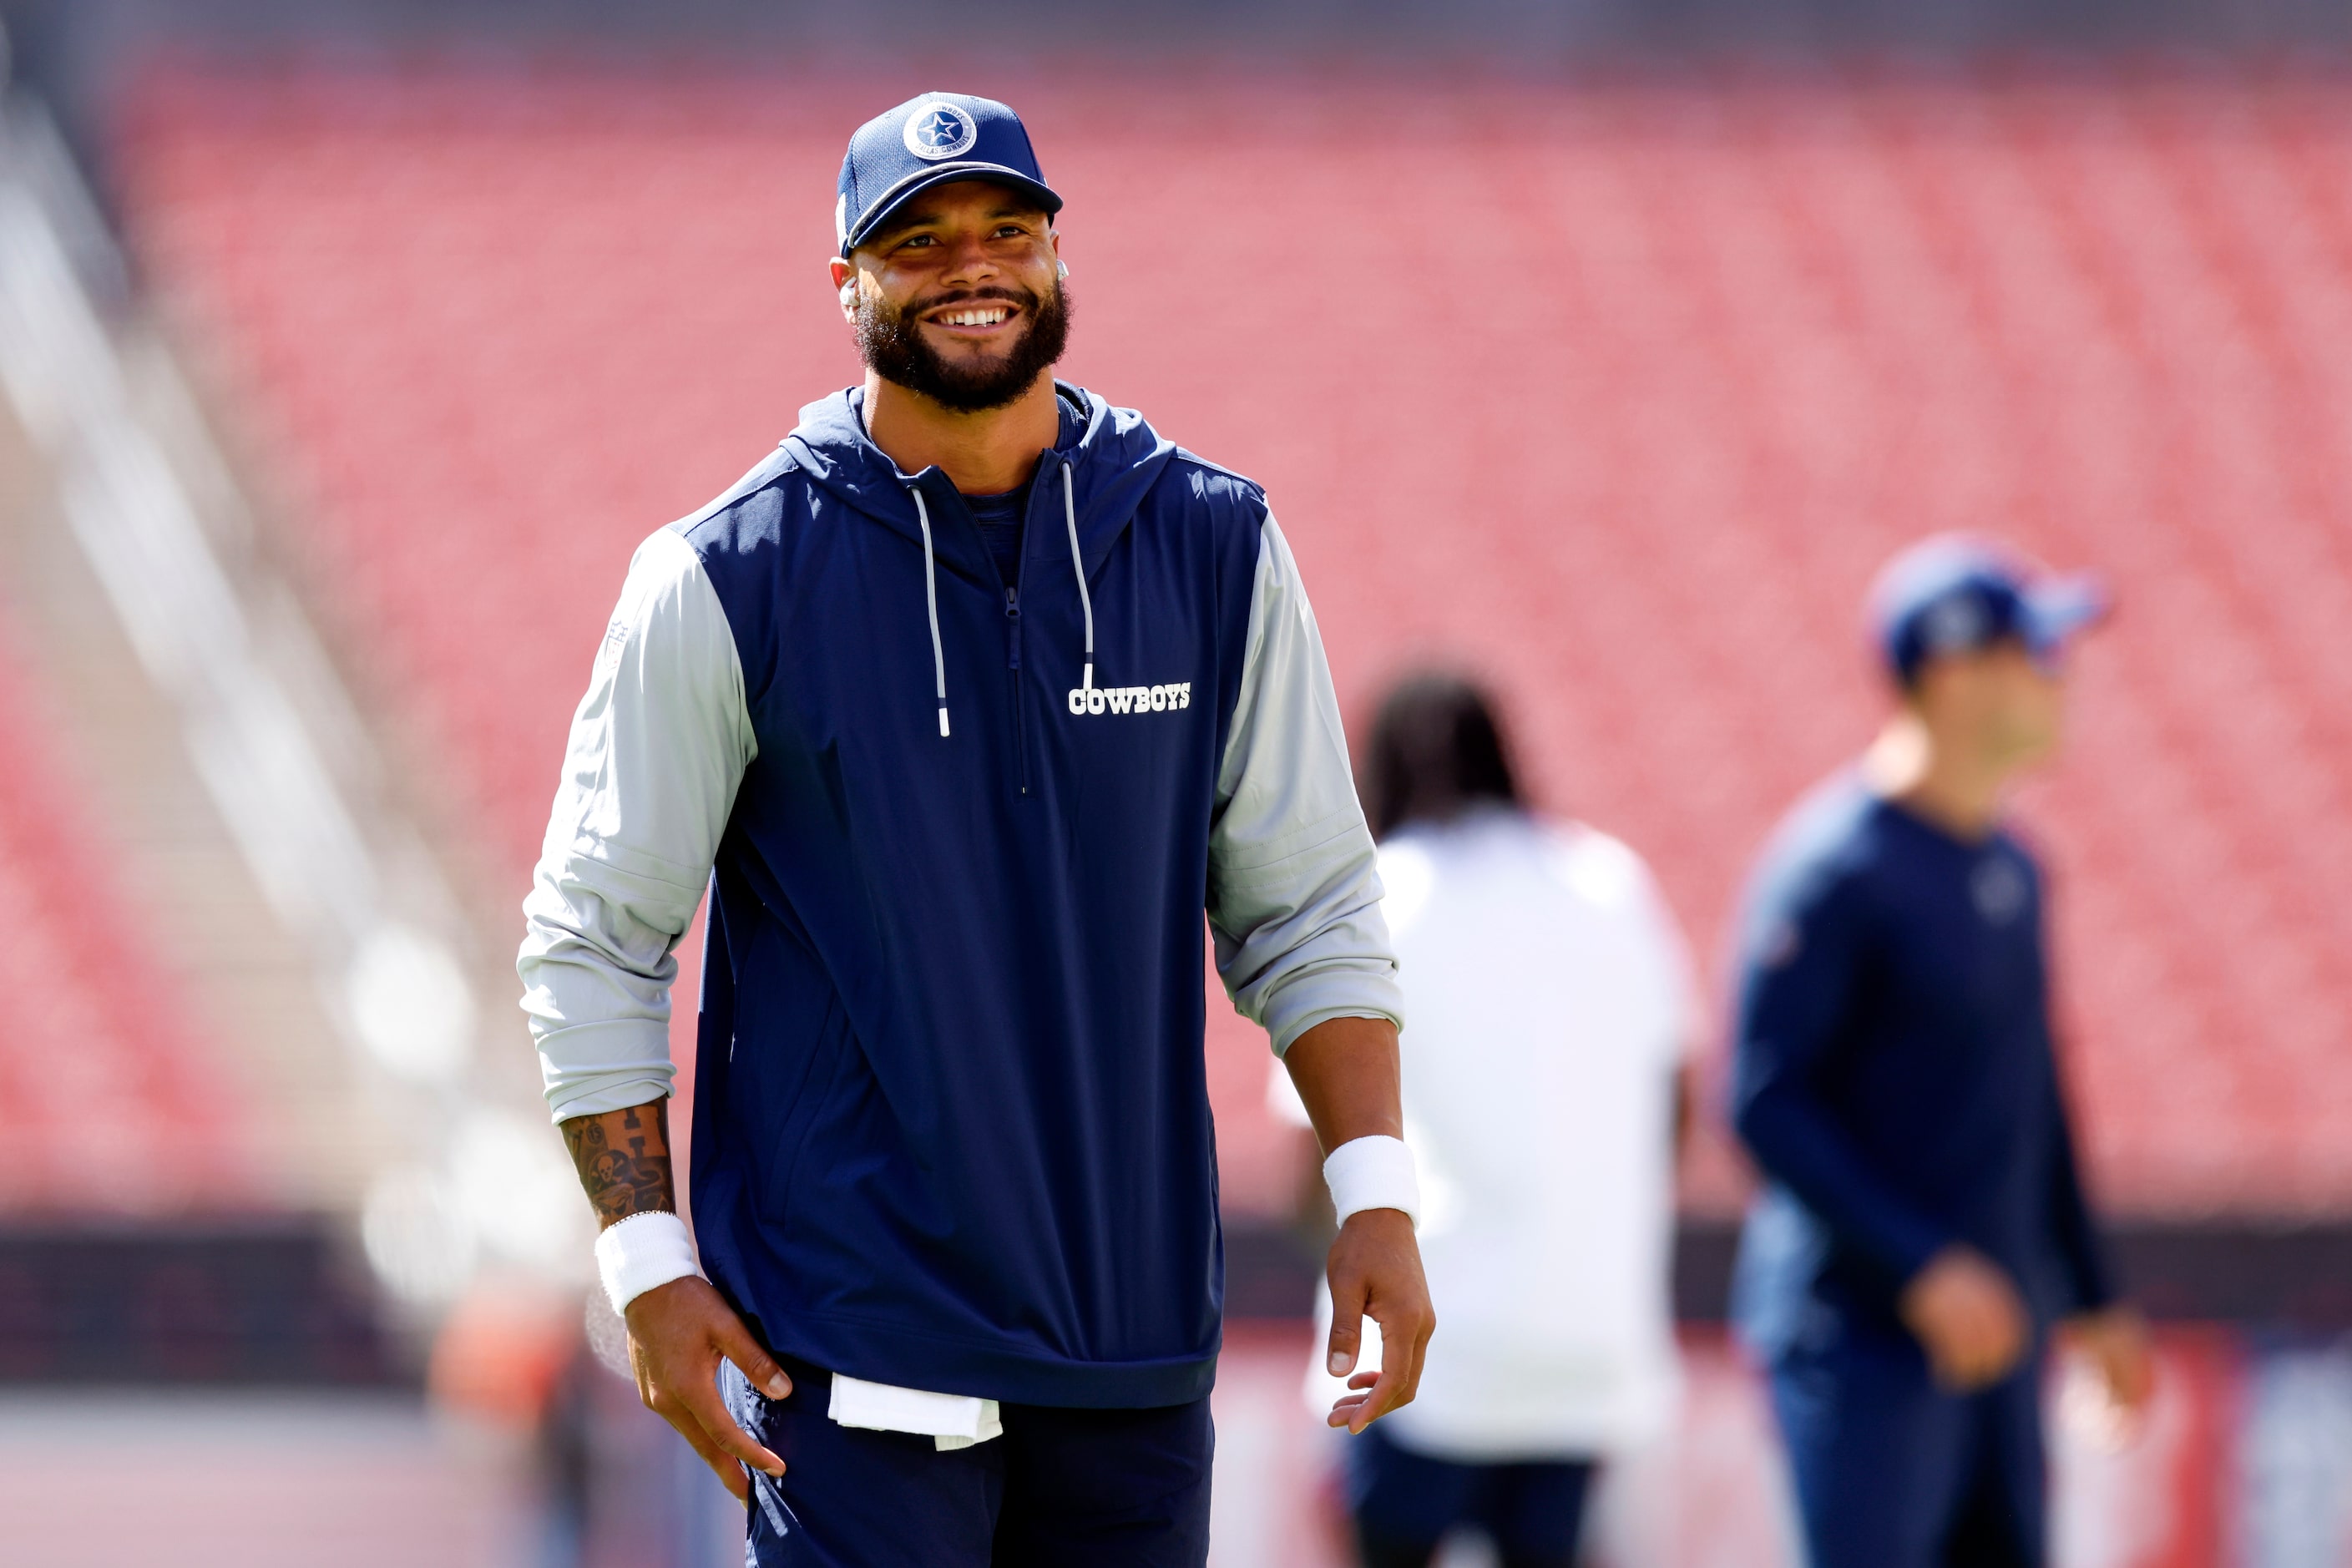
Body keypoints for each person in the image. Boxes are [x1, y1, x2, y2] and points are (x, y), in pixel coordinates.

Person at [516, 92, 1434, 1566]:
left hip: (1132, 1356)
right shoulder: (724, 574)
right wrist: (642, 1262)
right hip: (847, 1350)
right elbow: (593, 933)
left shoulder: (1210, 543)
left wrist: (1375, 1194)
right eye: (917, 240)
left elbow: (1306, 903)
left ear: (1058, 251)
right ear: (846, 285)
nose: (971, 265)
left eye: (1006, 229)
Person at [1727, 536, 2156, 1567]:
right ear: (1954, 674)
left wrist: (2094, 1298)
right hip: (1863, 1340)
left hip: (1998, 1342)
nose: (2061, 684)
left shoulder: (2013, 870)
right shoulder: (1839, 870)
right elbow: (1764, 1101)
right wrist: (1920, 1267)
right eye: (2036, 656)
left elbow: (2038, 1098)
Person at [1282, 673, 1697, 1568]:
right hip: (1588, 1341)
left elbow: (1311, 1152)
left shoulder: (1381, 893)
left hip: (1429, 1349)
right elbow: (1677, 1102)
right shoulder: (1610, 882)